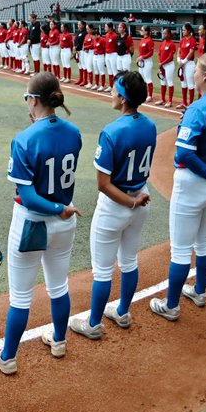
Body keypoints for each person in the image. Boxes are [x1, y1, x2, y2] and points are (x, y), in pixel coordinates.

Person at [0, 72, 82, 373]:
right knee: (58, 285)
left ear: (34, 99)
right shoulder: (74, 132)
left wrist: (57, 207)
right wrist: (62, 207)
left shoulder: (24, 139)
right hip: (65, 221)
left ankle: (8, 356)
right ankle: (58, 340)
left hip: (32, 223)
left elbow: (28, 197)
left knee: (20, 296)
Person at [70, 72, 155, 340]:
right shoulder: (151, 125)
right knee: (129, 260)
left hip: (116, 205)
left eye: (114, 90)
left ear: (122, 97)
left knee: (103, 270)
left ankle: (93, 324)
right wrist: (134, 200)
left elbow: (103, 184)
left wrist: (129, 201)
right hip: (141, 198)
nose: (111, 93)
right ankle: (123, 312)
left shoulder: (111, 131)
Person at [150, 52, 206, 321]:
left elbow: (184, 154)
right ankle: (199, 291)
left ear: (205, 76)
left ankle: (171, 306)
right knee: (205, 240)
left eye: (196, 70)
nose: (192, 73)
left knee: (181, 249)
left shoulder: (200, 108)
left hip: (196, 181)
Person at [178, 23, 198, 109]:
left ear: (189, 31)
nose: (182, 31)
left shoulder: (192, 40)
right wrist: (179, 59)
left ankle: (191, 103)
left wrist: (184, 61)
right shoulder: (182, 40)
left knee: (190, 83)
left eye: (184, 30)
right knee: (183, 82)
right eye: (182, 30)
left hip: (189, 64)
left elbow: (191, 52)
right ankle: (184, 102)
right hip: (182, 63)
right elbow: (179, 50)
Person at [157, 27, 177, 108]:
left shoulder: (172, 44)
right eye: (163, 33)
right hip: (162, 65)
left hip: (169, 65)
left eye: (165, 33)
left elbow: (170, 57)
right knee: (162, 81)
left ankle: (170, 101)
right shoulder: (162, 43)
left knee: (169, 82)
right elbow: (159, 54)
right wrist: (160, 63)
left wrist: (162, 63)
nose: (163, 34)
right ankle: (162, 99)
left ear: (169, 34)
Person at [136, 26, 155, 102]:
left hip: (147, 62)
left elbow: (151, 53)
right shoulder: (142, 40)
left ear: (146, 32)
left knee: (148, 78)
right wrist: (139, 57)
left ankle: (150, 95)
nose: (140, 31)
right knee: (142, 79)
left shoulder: (149, 41)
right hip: (141, 62)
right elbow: (140, 51)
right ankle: (143, 93)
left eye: (142, 30)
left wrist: (142, 57)